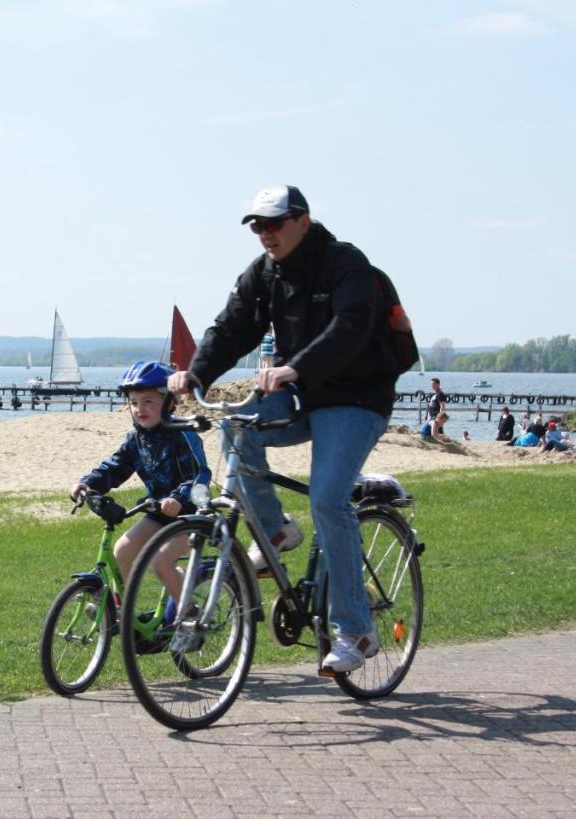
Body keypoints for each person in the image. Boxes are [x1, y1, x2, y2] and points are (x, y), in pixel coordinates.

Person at [168, 184, 403, 673]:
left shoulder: (345, 264)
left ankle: (356, 631)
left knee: (327, 499)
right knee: (238, 430)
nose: (264, 235)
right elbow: (231, 326)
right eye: (257, 227)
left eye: (273, 224)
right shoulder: (265, 273)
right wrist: (196, 373)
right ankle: (275, 531)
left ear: (303, 220)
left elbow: (350, 328)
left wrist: (295, 366)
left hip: (357, 398)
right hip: (303, 394)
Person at [70, 361, 211, 606]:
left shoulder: (183, 433)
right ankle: (123, 612)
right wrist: (88, 483)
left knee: (161, 562)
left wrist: (179, 498)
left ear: (168, 403)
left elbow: (200, 474)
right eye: (134, 402)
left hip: (192, 514)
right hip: (158, 511)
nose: (139, 409)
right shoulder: (136, 438)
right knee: (123, 550)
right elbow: (115, 466)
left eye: (148, 402)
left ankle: (190, 616)